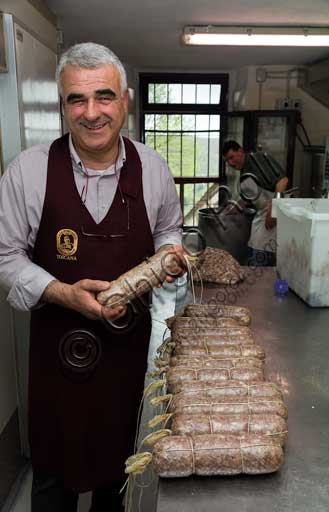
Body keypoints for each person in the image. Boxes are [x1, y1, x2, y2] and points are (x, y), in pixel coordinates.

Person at [0, 42, 184, 511]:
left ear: (125, 100)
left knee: (116, 476)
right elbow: (6, 257)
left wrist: (168, 257)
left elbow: (168, 232)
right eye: (76, 100)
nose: (91, 113)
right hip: (55, 358)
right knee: (52, 482)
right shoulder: (28, 171)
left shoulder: (155, 170)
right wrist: (63, 293)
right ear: (63, 105)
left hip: (127, 357)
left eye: (104, 97)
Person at [222, 140, 288, 266]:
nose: (230, 163)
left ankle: (265, 281)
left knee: (262, 256)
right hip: (263, 214)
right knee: (259, 251)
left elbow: (282, 182)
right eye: (227, 161)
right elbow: (247, 200)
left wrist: (273, 211)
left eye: (231, 157)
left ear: (240, 151)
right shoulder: (244, 173)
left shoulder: (258, 160)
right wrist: (228, 211)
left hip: (277, 211)